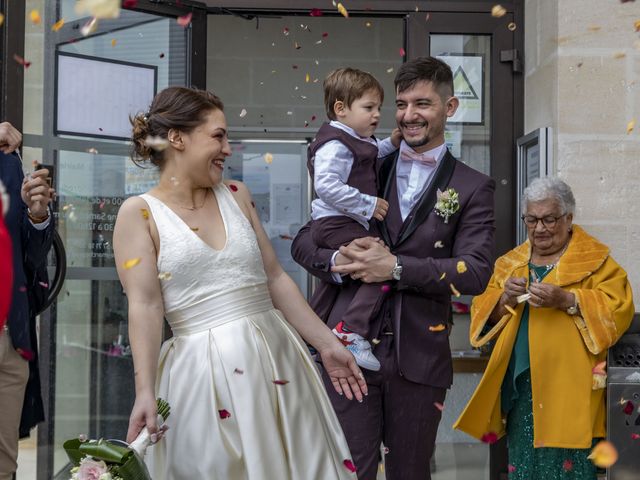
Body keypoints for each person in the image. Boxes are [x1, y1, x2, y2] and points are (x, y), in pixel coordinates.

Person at [113, 86, 367, 480]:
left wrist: (328, 344)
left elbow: (275, 278)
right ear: (177, 138)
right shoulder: (139, 213)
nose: (228, 148)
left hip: (277, 361)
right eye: (218, 135)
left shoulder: (236, 194)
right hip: (201, 378)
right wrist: (144, 391)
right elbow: (145, 306)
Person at [292, 56, 496, 479]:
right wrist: (338, 263)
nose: (408, 116)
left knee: (410, 473)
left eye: (422, 104)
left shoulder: (473, 186)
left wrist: (396, 267)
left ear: (450, 108)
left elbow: (475, 272)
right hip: (344, 353)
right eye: (401, 104)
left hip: (419, 360)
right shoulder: (365, 160)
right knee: (351, 471)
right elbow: (303, 241)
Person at [454, 177, 634, 479]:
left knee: (570, 469)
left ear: (568, 218)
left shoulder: (597, 261)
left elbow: (619, 310)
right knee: (524, 466)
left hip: (571, 389)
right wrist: (504, 299)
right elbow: (482, 314)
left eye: (549, 219)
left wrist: (568, 299)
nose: (540, 229)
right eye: (532, 220)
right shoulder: (509, 264)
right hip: (522, 388)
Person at [309, 67, 401, 371]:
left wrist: (392, 142)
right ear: (341, 109)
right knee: (380, 262)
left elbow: (372, 154)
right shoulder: (335, 144)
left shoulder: (357, 139)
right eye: (369, 108)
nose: (377, 115)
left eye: (379, 108)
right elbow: (326, 185)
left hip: (341, 223)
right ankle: (351, 330)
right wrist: (368, 203)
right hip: (335, 223)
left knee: (336, 282)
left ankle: (311, 334)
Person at [0, 121, 54, 480]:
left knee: (5, 468)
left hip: (9, 341)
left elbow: (29, 259)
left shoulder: (8, 158)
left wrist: (37, 215)